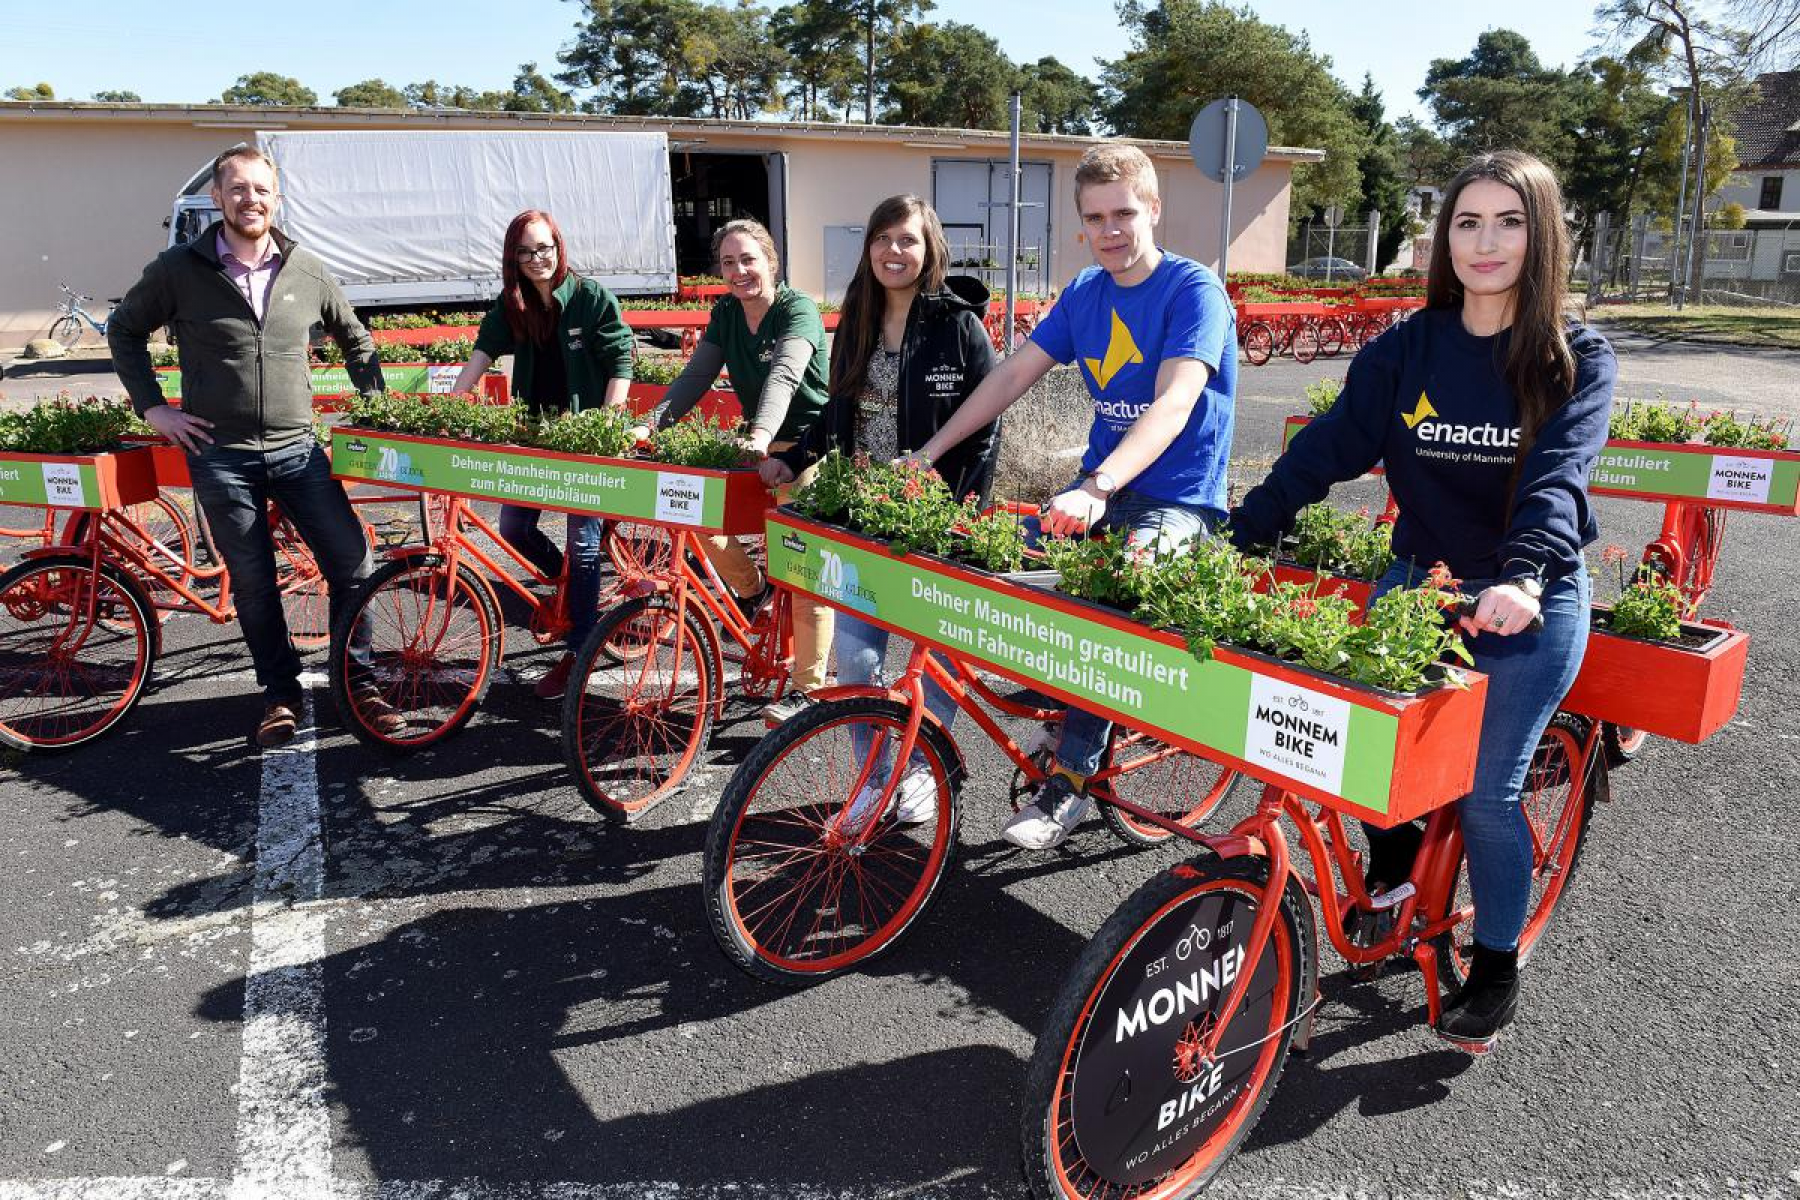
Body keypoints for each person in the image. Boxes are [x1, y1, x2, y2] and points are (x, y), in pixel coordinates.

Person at [1229, 150, 1616, 1050]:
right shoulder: (1409, 347)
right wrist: (1240, 532)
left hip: (1531, 597)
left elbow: (1557, 479)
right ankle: (1397, 877)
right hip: (1422, 586)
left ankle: (1494, 962)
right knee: (1376, 758)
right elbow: (1327, 448)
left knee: (1487, 793)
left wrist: (1523, 575)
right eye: (1468, 222)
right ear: (1444, 237)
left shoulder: (1574, 356)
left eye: (1510, 222)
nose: (1486, 242)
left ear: (1543, 234)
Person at [905, 143, 1238, 851]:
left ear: (1153, 208)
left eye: (1123, 212)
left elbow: (1177, 401)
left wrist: (1098, 485)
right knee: (982, 572)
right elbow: (1007, 378)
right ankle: (923, 755)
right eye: (1095, 217)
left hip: (1175, 498)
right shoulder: (1087, 292)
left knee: (1108, 607)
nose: (1110, 230)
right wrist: (929, 454)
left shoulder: (1193, 291)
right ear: (1081, 224)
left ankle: (1072, 780)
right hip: (1095, 489)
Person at [108, 145, 400, 748]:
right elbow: (125, 328)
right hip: (221, 455)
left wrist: (374, 408)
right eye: (237, 188)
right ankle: (280, 693)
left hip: (298, 450)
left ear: (277, 197)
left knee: (353, 563)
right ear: (217, 197)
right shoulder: (178, 269)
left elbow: (357, 339)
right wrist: (154, 407)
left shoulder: (306, 267)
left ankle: (360, 684)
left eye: (261, 189)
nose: (250, 199)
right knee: (254, 582)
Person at [760, 194, 1001, 826]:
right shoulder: (857, 321)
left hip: (936, 517)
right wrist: (797, 455)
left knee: (937, 649)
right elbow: (838, 409)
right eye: (883, 238)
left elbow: (987, 426)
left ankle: (924, 766)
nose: (894, 252)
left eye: (908, 240)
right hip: (864, 514)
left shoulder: (958, 324)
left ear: (930, 251)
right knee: (860, 654)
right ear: (869, 247)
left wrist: (962, 513)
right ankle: (873, 770)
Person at [647, 218, 833, 721]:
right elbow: (696, 376)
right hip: (760, 443)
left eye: (748, 259)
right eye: (728, 262)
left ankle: (807, 688)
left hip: (807, 446)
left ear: (771, 262)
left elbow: (786, 375)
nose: (739, 270)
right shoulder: (727, 312)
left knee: (804, 562)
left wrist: (759, 434)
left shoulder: (798, 309)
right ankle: (753, 590)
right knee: (698, 510)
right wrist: (649, 425)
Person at [451, 209, 635, 698]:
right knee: (513, 527)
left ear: (559, 245)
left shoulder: (591, 298)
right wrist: (451, 407)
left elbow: (621, 358)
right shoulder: (511, 305)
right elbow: (481, 356)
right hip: (536, 439)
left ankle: (580, 650)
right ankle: (571, 587)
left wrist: (606, 424)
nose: (539, 259)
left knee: (586, 541)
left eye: (545, 247)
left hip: (586, 442)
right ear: (514, 257)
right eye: (527, 251)